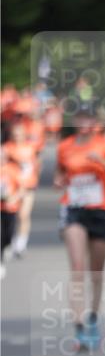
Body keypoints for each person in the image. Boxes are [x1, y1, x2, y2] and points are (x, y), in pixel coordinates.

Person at [54, 109, 105, 350]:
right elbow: (60, 173)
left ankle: (92, 320)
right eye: (79, 118)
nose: (83, 123)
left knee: (96, 273)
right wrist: (59, 180)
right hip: (73, 209)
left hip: (101, 211)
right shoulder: (65, 146)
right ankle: (79, 329)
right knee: (77, 270)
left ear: (96, 123)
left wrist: (104, 162)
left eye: (88, 119)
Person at [3, 114, 41, 258]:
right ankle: (8, 241)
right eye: (15, 134)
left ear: (24, 134)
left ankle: (21, 243)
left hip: (28, 186)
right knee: (10, 216)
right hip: (12, 188)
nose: (17, 136)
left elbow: (36, 165)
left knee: (23, 215)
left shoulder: (31, 148)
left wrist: (34, 179)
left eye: (19, 134)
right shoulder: (7, 148)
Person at [0, 142, 25, 279]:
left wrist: (13, 198)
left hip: (10, 208)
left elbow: (22, 190)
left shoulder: (13, 170)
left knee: (8, 235)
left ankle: (8, 245)